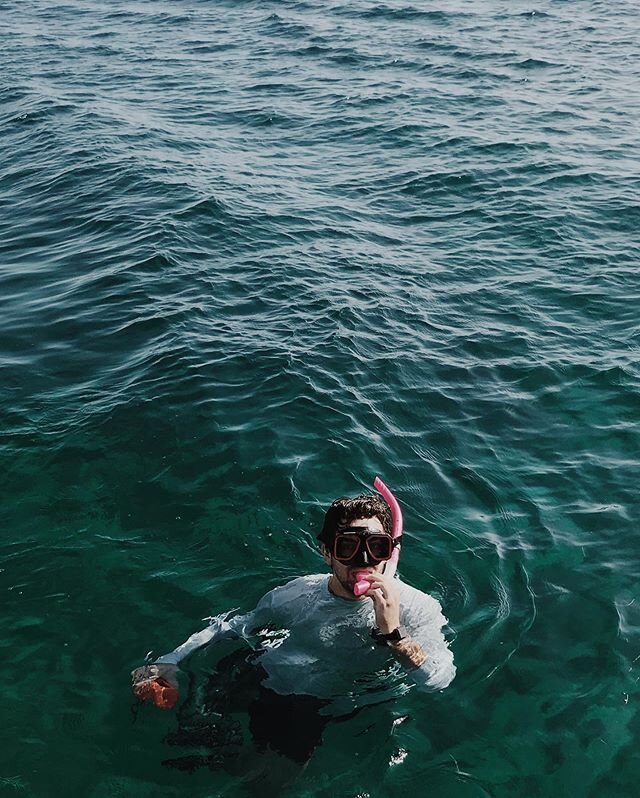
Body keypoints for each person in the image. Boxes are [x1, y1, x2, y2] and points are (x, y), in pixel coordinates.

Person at [131, 491, 455, 765]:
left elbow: (439, 680)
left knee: (267, 784)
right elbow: (234, 626)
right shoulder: (297, 593)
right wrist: (169, 660)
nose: (364, 559)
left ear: (389, 552)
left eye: (376, 547)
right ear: (327, 552)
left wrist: (395, 635)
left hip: (318, 706)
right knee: (189, 741)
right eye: (348, 547)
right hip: (264, 673)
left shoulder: (416, 608)